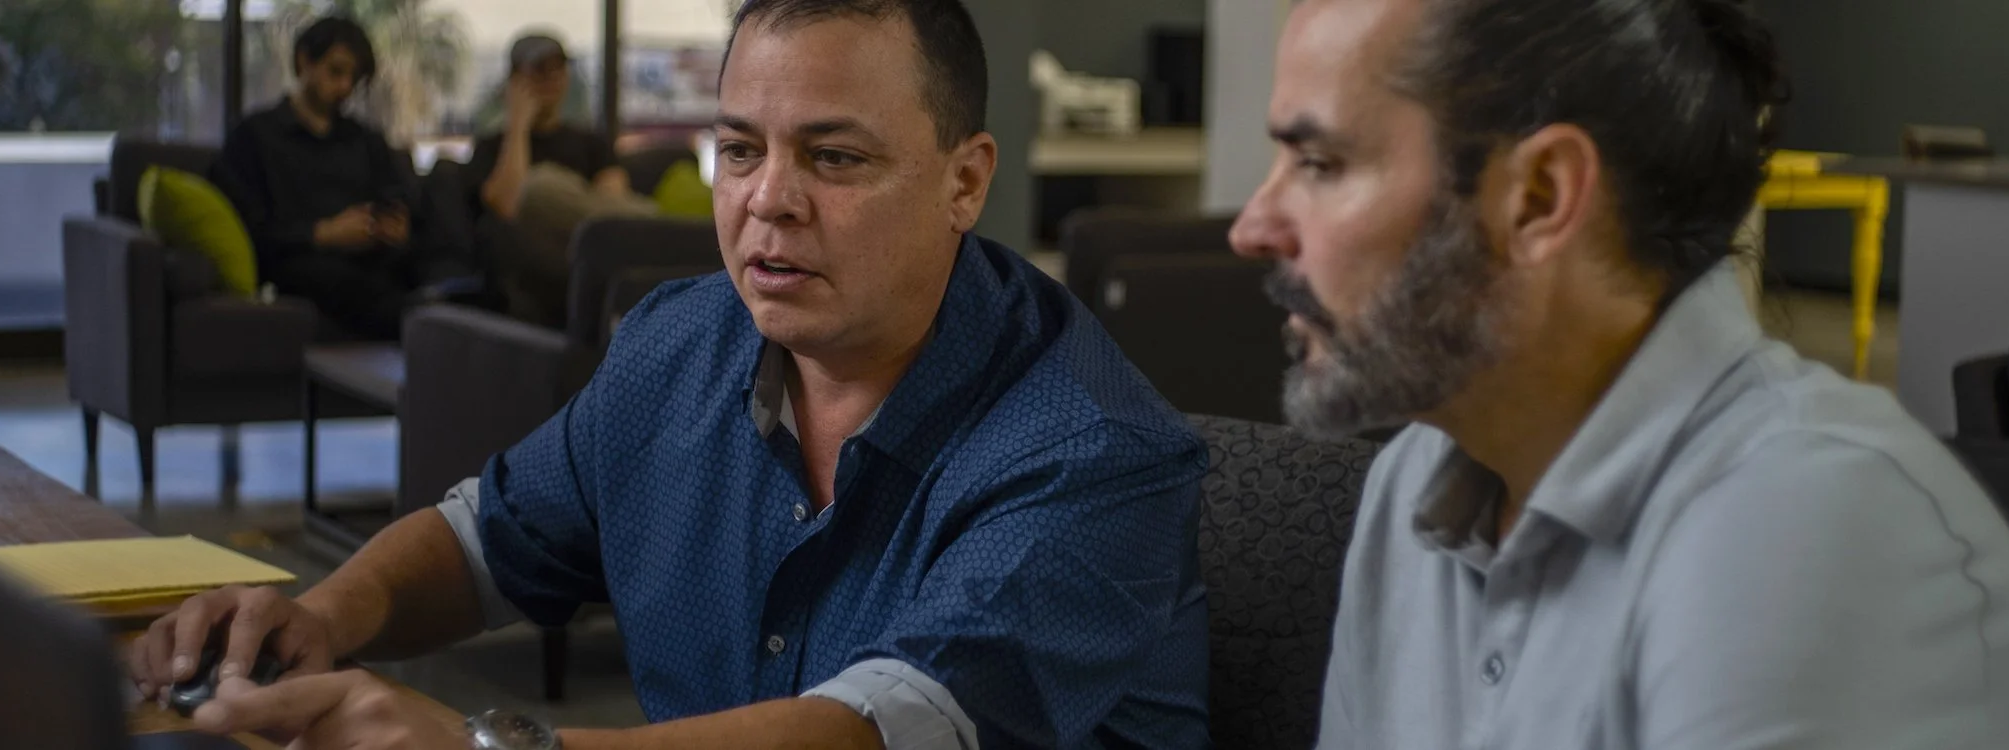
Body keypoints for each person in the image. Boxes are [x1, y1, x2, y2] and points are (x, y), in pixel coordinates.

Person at [132, 1, 1213, 748]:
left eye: (834, 158)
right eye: (739, 150)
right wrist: (319, 619)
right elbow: (488, 541)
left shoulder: (1090, 447)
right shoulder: (676, 342)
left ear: (965, 181)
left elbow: (876, 732)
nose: (768, 200)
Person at [1231, 0, 2009, 747]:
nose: (1252, 227)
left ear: (1539, 196)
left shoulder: (1810, 521)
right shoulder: (1412, 482)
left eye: (1319, 164)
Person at [211, 17, 444, 340]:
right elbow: (250, 227)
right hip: (302, 262)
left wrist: (396, 225)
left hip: (375, 259)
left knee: (433, 248)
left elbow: (400, 197)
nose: (345, 87)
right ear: (304, 61)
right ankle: (431, 325)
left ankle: (452, 311)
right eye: (336, 72)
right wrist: (323, 233)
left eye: (354, 78)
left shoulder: (365, 140)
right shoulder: (254, 136)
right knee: (334, 278)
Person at [463, 32, 644, 326]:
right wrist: (518, 125)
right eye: (538, 70)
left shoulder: (590, 142)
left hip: (584, 245)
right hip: (532, 257)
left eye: (557, 69)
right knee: (538, 189)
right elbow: (509, 205)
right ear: (515, 82)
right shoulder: (492, 147)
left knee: (555, 192)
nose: (550, 78)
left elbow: (613, 211)